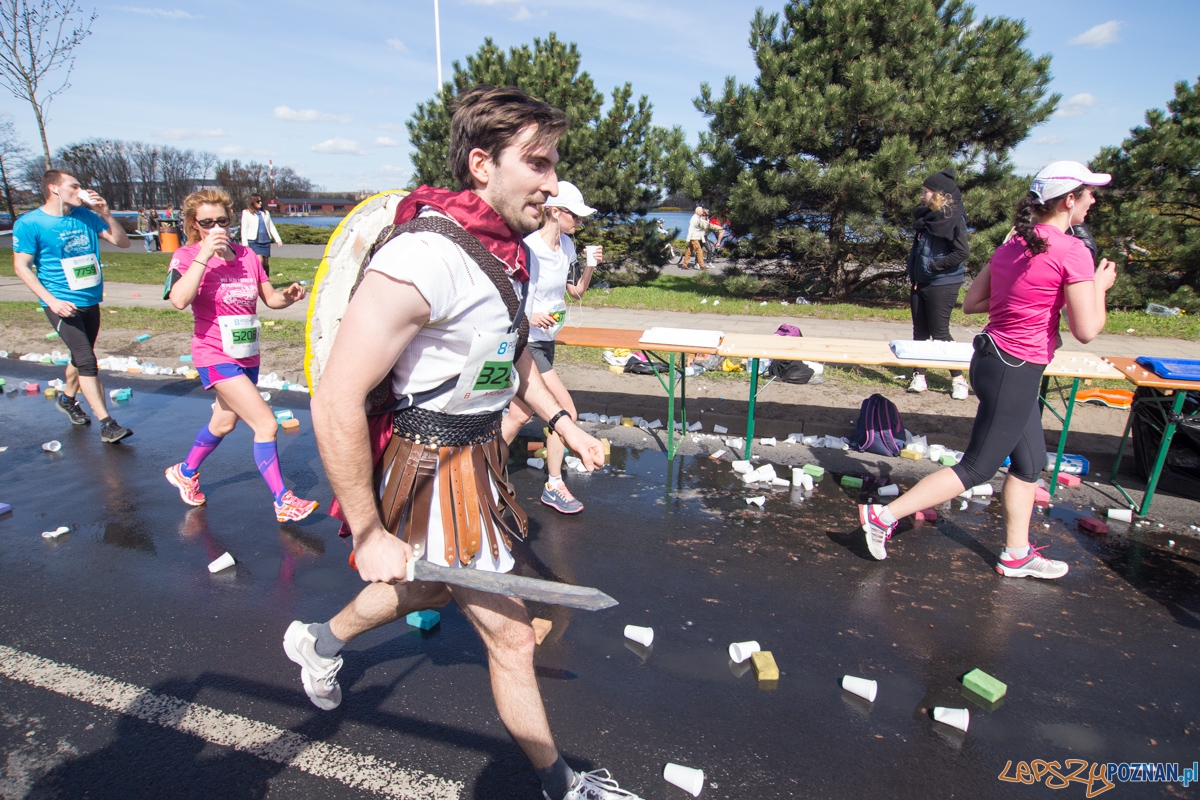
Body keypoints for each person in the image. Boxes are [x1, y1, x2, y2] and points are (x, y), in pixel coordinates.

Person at [283, 86, 643, 800]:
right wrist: (365, 530)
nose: (552, 182)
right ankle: (563, 785)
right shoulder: (422, 259)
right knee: (512, 635)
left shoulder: (510, 253)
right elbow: (335, 401)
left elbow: (514, 359)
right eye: (537, 164)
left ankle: (317, 642)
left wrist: (561, 422)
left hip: (480, 456)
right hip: (426, 462)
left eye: (554, 166)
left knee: (425, 588)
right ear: (482, 163)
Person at [859, 161, 1117, 580]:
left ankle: (1016, 553)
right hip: (1014, 368)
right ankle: (883, 516)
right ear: (1069, 200)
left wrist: (1031, 300)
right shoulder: (1072, 252)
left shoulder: (1017, 242)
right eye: (1089, 194)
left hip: (993, 359)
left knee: (1029, 465)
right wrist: (1098, 288)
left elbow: (974, 302)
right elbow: (1087, 329)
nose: (1092, 202)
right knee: (978, 466)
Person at [163, 188, 318, 522]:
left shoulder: (247, 256)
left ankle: (185, 471)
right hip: (213, 353)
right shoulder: (187, 256)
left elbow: (270, 299)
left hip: (247, 353)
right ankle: (283, 501)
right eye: (207, 222)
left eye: (222, 220)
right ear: (195, 223)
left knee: (223, 421)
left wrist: (288, 296)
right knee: (265, 423)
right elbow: (178, 299)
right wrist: (204, 254)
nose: (217, 227)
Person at [500, 180, 602, 514]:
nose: (580, 222)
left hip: (549, 340)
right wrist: (533, 314)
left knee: (519, 414)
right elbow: (507, 297)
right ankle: (554, 485)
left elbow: (575, 293)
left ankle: (481, 472)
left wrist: (589, 266)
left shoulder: (568, 247)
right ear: (554, 212)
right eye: (575, 215)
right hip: (529, 342)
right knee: (565, 413)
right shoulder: (528, 247)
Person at [11, 170, 134, 442]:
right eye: (75, 186)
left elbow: (123, 242)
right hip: (61, 303)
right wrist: (52, 301)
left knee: (81, 357)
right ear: (54, 189)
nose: (82, 191)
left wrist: (106, 213)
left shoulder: (86, 216)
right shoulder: (31, 223)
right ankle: (108, 424)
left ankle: (68, 399)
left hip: (90, 299)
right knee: (87, 360)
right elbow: (21, 267)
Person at [906, 168, 971, 400]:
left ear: (939, 195)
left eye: (926, 192)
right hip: (919, 281)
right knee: (920, 332)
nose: (922, 196)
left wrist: (935, 267)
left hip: (942, 282)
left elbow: (962, 252)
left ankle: (958, 379)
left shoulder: (952, 219)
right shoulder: (926, 216)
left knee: (940, 333)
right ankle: (919, 376)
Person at [240, 193, 283, 276]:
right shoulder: (246, 213)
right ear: (252, 202)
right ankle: (258, 278)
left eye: (261, 201)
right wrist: (245, 243)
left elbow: (271, 227)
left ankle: (266, 279)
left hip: (265, 241)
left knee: (266, 262)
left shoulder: (265, 213)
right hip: (254, 241)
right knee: (259, 260)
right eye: (258, 201)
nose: (260, 203)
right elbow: (244, 228)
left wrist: (278, 239)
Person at [680, 205, 723, 270]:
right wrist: (688, 239)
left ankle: (684, 264)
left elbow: (704, 225)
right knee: (699, 251)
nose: (702, 212)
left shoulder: (698, 218)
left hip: (695, 237)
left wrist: (711, 225)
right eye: (701, 211)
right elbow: (691, 229)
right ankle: (702, 266)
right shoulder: (694, 219)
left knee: (689, 251)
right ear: (697, 212)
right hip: (694, 237)